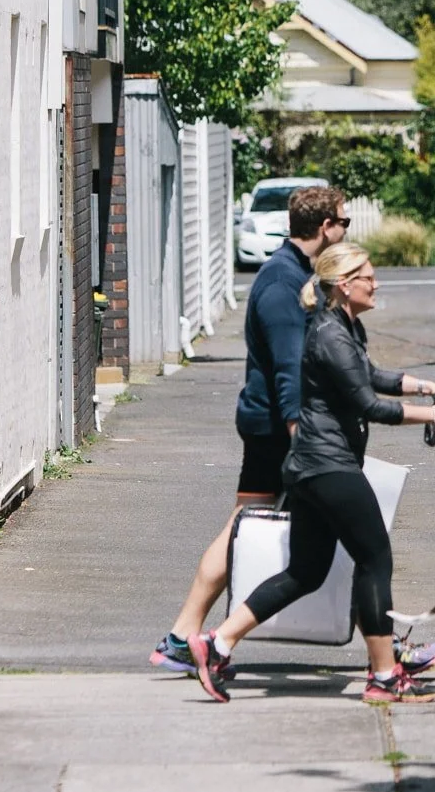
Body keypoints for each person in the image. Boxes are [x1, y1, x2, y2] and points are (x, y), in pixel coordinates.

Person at [188, 241, 435, 705]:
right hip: (328, 466)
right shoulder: (331, 334)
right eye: (368, 277)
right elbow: (367, 404)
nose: (376, 284)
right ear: (343, 284)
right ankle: (383, 677)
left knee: (306, 571)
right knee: (375, 559)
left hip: (312, 467)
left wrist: (425, 385)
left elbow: (370, 375)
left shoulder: (344, 327)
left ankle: (215, 644)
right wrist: (434, 415)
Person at [149, 184, 350, 673]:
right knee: (348, 530)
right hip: (277, 433)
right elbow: (288, 370)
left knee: (245, 529)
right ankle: (189, 636)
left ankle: (182, 635)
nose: (346, 231)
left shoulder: (295, 274)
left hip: (273, 429)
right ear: (324, 227)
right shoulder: (283, 285)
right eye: (344, 222)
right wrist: (305, 439)